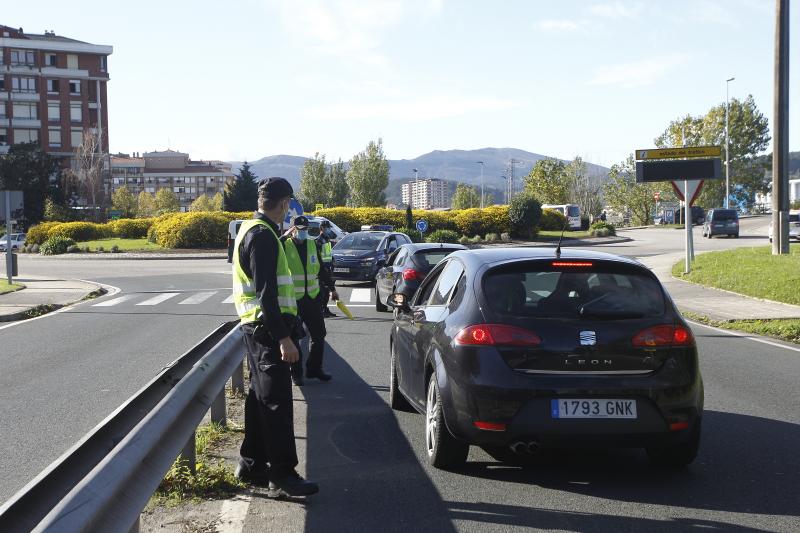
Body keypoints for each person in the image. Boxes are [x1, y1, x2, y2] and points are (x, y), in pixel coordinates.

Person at [231, 177, 318, 497]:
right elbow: (267, 293)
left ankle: (251, 464)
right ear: (284, 203)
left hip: (255, 327)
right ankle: (282, 473)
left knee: (259, 398)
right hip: (268, 331)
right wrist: (284, 339)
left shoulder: (253, 229)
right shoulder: (263, 237)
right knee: (277, 402)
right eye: (289, 204)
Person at [282, 215, 338, 385]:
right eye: (300, 230)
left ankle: (314, 369)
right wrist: (284, 236)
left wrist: (332, 288)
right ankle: (296, 374)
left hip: (312, 298)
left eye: (306, 230)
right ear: (293, 231)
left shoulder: (313, 244)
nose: (303, 233)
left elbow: (321, 269)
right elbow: (270, 248)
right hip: (293, 300)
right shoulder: (284, 245)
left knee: (319, 334)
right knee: (295, 338)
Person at [317, 220, 337, 318]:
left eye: (328, 228)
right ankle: (322, 309)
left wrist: (332, 260)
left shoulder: (327, 239)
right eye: (326, 228)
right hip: (322, 269)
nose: (328, 230)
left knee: (327, 291)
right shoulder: (319, 240)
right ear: (321, 229)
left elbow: (328, 253)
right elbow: (318, 256)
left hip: (328, 267)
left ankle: (325, 309)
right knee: (323, 291)